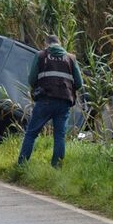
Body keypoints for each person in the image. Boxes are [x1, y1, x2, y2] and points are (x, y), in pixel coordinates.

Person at [17, 34, 84, 168]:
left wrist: (39, 87)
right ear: (59, 44)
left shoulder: (41, 55)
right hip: (64, 102)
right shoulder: (71, 58)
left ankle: (22, 165)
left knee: (31, 133)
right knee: (59, 136)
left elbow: (31, 80)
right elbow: (79, 83)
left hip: (45, 101)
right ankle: (56, 167)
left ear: (46, 44)